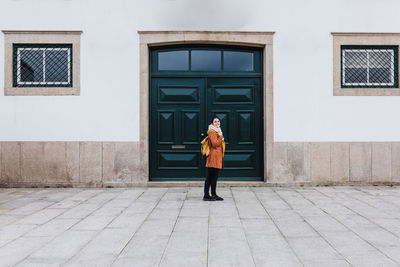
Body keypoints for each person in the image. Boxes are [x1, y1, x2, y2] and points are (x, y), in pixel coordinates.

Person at [203, 117, 225, 201]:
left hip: (216, 156)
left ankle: (211, 194)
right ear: (212, 124)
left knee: (212, 176)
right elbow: (215, 144)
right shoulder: (212, 132)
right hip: (213, 157)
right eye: (215, 121)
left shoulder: (217, 131)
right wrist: (221, 137)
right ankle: (208, 195)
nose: (217, 123)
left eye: (218, 121)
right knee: (211, 177)